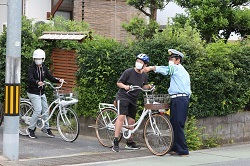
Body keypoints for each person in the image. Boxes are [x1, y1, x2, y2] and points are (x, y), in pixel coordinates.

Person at [143, 49, 191, 156]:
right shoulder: (180, 70)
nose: (170, 61)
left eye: (172, 59)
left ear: (178, 60)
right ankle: (175, 147)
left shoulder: (177, 68)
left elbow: (166, 70)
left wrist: (151, 68)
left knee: (177, 124)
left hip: (180, 98)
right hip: (178, 99)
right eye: (169, 59)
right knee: (174, 124)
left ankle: (183, 149)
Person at [112, 54, 152, 152]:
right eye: (137, 61)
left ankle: (129, 142)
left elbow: (143, 86)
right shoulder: (128, 72)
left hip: (133, 99)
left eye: (141, 62)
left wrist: (149, 87)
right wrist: (125, 87)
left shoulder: (144, 75)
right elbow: (119, 82)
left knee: (131, 122)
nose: (138, 63)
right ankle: (115, 141)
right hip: (123, 97)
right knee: (121, 117)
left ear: (145, 65)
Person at [26, 49, 64, 139]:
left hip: (41, 93)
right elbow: (30, 79)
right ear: (33, 59)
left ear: (43, 59)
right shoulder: (31, 68)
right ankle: (31, 129)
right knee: (38, 110)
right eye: (36, 59)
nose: (37, 60)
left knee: (46, 110)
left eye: (39, 59)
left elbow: (50, 77)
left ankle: (46, 129)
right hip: (33, 92)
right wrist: (37, 82)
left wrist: (58, 80)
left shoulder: (44, 68)